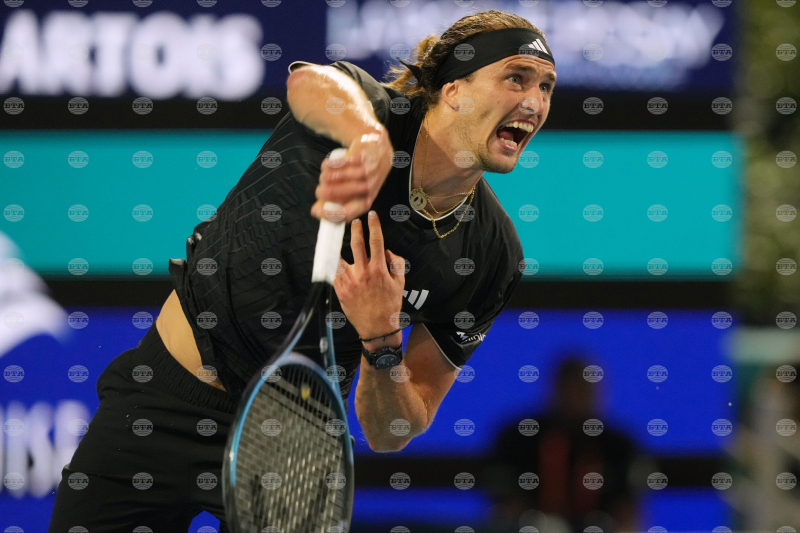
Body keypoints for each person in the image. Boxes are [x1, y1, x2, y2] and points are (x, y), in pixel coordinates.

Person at [48, 9, 556, 532]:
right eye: (516, 78)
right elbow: (310, 83)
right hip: (162, 404)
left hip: (294, 445)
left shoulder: (492, 254)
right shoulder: (366, 110)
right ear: (453, 88)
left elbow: (393, 431)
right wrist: (365, 139)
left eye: (545, 87)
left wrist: (382, 340)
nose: (534, 102)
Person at [487, 356, 642, 533]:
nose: (575, 397)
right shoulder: (518, 438)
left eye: (583, 390)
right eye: (570, 388)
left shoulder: (618, 445)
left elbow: (626, 510)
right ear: (554, 389)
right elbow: (504, 504)